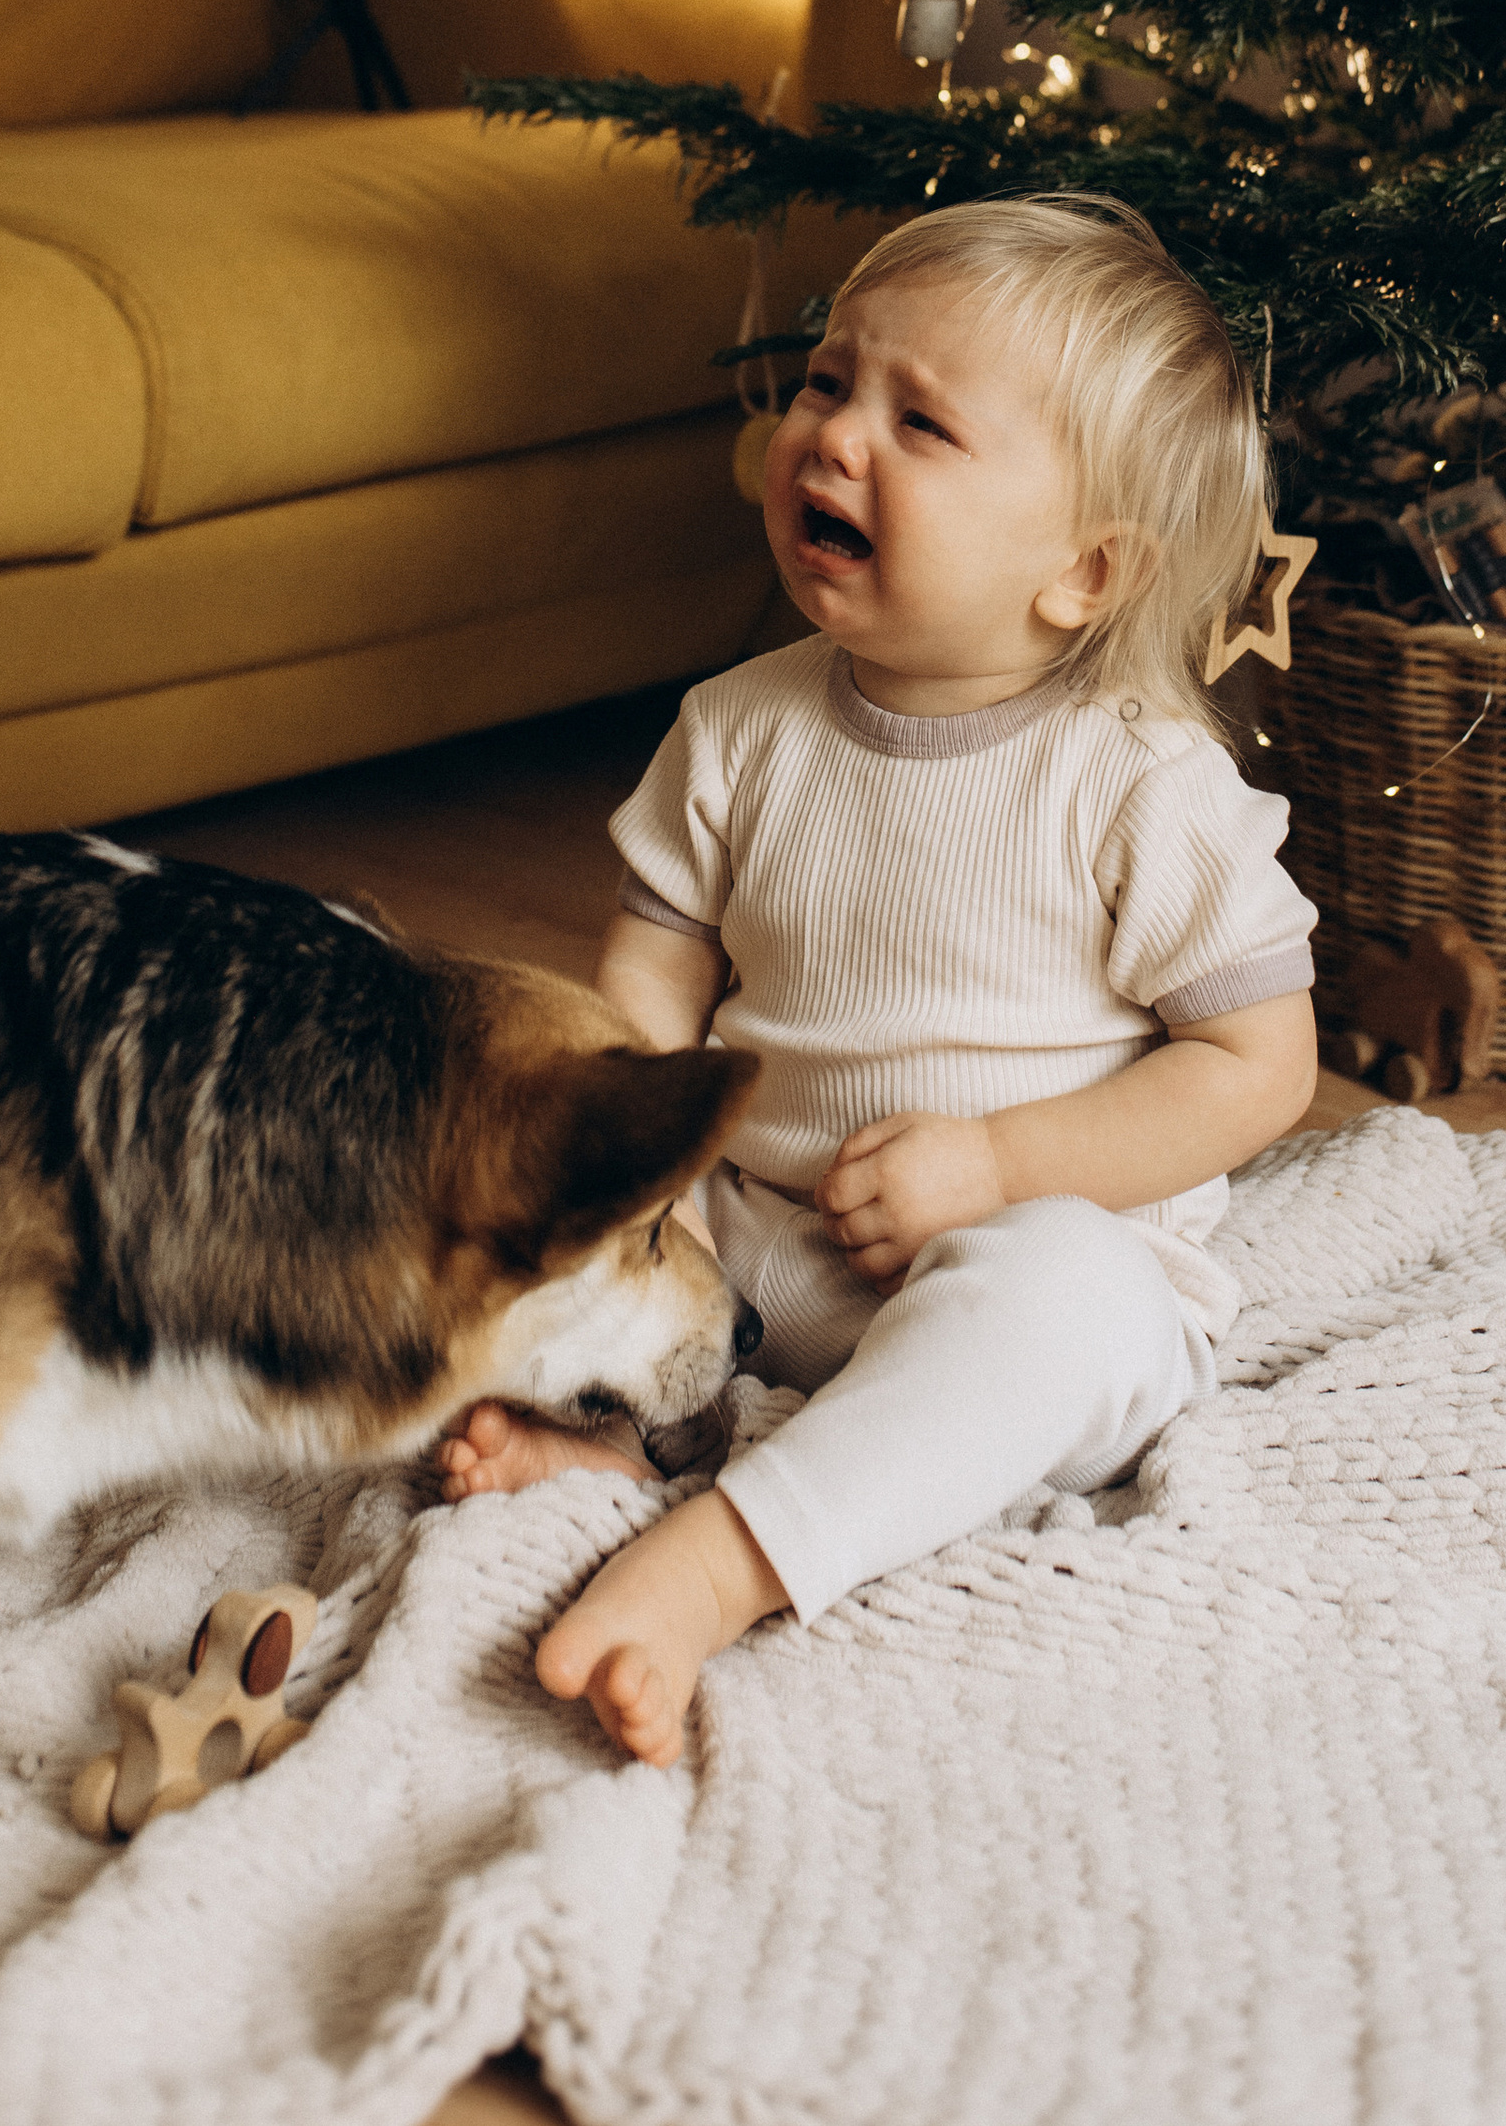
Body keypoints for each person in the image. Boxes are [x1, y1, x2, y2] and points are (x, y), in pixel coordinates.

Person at [439, 193, 1317, 1764]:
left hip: (1016, 1261)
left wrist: (1000, 1163)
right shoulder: (739, 722)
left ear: (1085, 571)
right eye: (832, 380)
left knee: (1071, 1300)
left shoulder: (1136, 779)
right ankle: (632, 1445)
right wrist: (646, 1164)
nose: (834, 436)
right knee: (520, 1170)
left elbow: (1260, 1061)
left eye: (922, 422)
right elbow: (657, 959)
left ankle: (728, 1555)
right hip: (748, 1250)